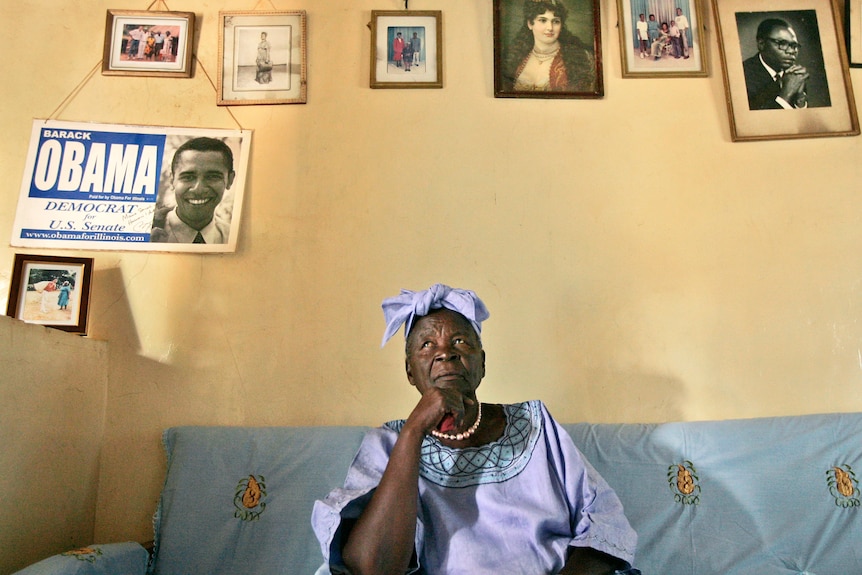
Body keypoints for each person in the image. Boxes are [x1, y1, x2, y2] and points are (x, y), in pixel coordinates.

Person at [312, 284, 640, 575]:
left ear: (482, 363)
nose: (445, 353)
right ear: (410, 371)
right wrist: (414, 430)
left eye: (460, 341)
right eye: (427, 344)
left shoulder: (537, 426)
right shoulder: (387, 444)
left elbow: (606, 529)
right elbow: (373, 568)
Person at [150, 137, 236, 244]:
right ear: (172, 180)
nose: (198, 189)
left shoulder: (235, 239)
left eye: (212, 177)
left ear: (230, 180)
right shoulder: (148, 234)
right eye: (188, 177)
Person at [501, 0, 597, 93]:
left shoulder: (582, 58)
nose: (550, 28)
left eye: (555, 21)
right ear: (530, 24)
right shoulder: (514, 57)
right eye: (543, 20)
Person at [742, 18, 808, 110]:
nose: (791, 51)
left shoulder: (794, 76)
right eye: (782, 43)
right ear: (761, 44)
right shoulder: (743, 75)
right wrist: (787, 93)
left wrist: (800, 98)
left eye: (794, 46)